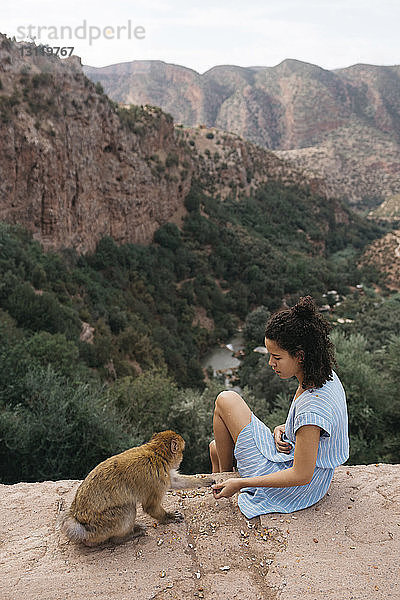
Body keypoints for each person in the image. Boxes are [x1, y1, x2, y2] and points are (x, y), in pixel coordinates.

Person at [209, 296, 349, 518]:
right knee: (215, 447)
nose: (270, 363)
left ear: (300, 356)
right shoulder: (325, 376)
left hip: (297, 487)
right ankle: (224, 477)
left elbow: (301, 475)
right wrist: (287, 427)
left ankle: (226, 479)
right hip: (296, 460)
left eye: (276, 357)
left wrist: (241, 482)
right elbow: (315, 431)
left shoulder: (311, 410)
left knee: (225, 400)